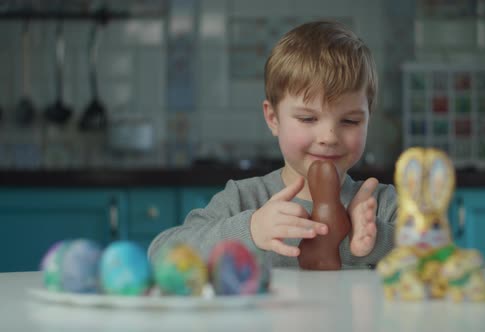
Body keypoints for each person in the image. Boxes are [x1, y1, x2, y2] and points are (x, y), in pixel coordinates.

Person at [148, 21, 396, 268]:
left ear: (368, 119)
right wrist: (251, 231)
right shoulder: (245, 199)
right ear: (273, 118)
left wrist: (376, 240)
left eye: (350, 121)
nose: (329, 137)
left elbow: (432, 255)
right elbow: (161, 253)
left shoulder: (381, 205)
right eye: (308, 118)